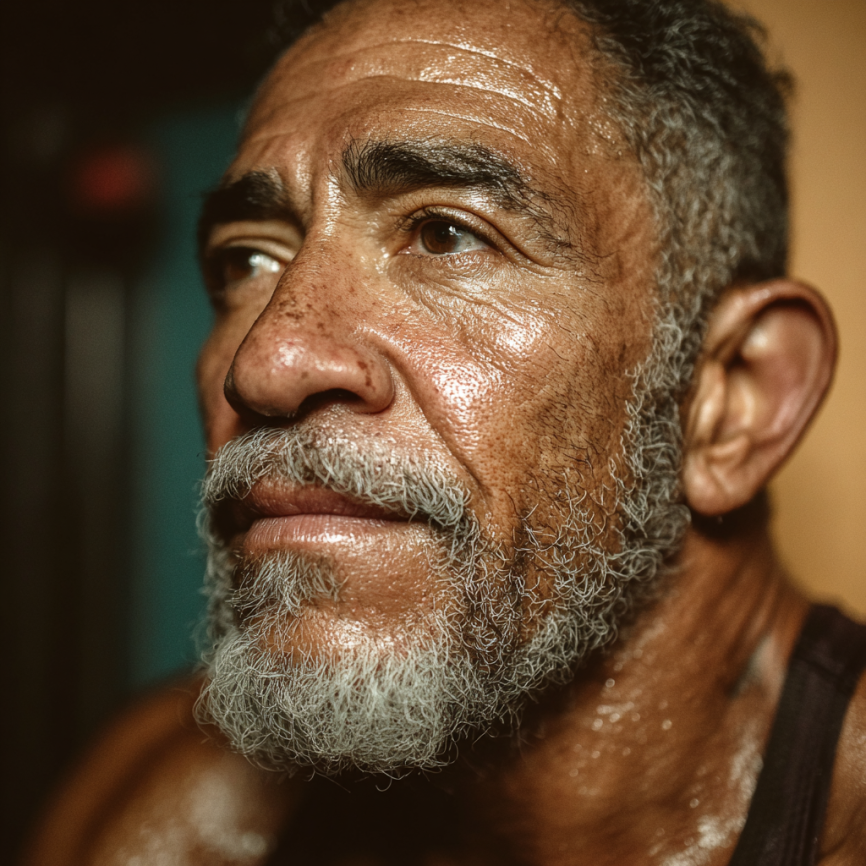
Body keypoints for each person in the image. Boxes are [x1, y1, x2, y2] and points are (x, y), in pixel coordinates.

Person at [23, 0, 866, 863]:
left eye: (445, 233)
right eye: (248, 258)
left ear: (734, 400)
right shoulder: (159, 817)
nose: (266, 362)